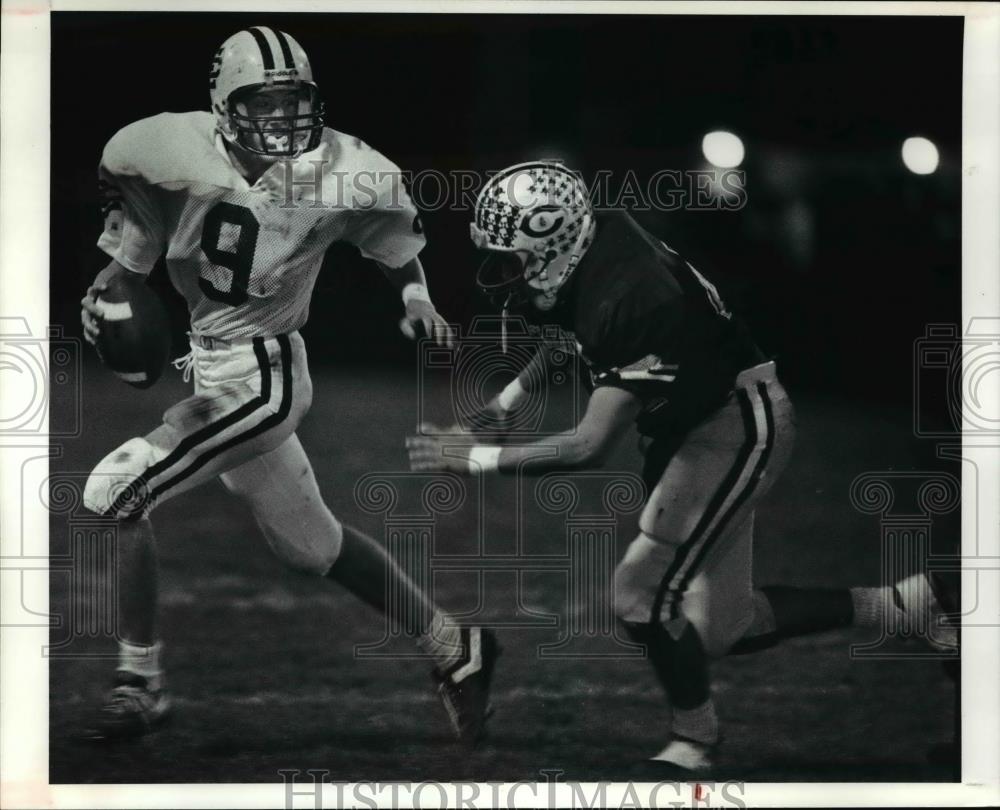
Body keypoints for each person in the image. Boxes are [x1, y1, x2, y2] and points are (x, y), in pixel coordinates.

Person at [405, 161, 956, 773]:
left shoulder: (636, 297)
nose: (501, 272)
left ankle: (694, 741)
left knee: (638, 595)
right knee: (723, 629)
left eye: (511, 257)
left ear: (550, 242)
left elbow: (588, 445)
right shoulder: (594, 248)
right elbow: (574, 336)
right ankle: (905, 606)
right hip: (693, 425)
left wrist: (476, 458)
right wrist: (504, 406)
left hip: (733, 426)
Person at [79, 26, 497, 746]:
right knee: (312, 546)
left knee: (115, 491)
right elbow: (137, 242)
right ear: (222, 104)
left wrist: (418, 301)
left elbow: (393, 243)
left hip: (267, 373)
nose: (281, 119)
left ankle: (139, 682)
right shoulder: (160, 150)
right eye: (262, 104)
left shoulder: (346, 169)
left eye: (292, 102)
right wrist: (109, 292)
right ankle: (456, 649)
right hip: (210, 362)